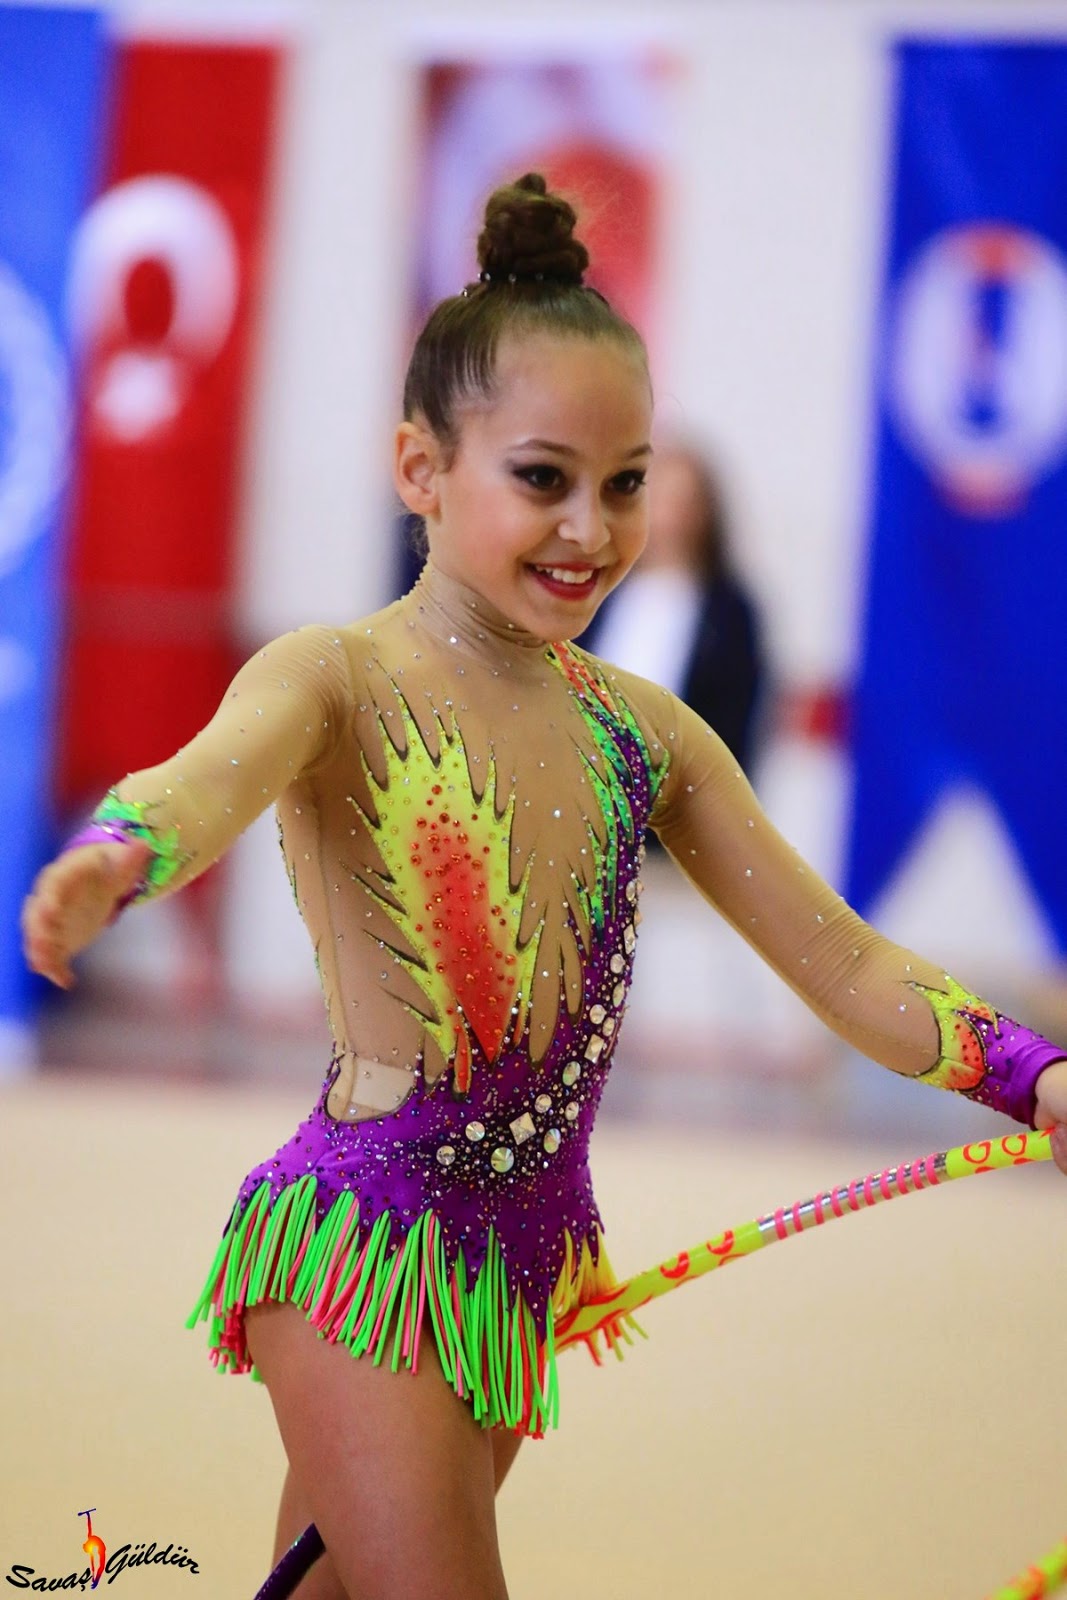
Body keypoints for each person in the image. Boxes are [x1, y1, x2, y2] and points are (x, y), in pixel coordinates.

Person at [21, 172, 1067, 1600]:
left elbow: (839, 961)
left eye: (623, 482)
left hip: (513, 1279)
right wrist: (118, 853)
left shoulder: (646, 733)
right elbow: (209, 775)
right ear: (419, 468)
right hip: (363, 1259)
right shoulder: (340, 674)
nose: (589, 526)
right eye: (540, 478)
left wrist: (1027, 1071)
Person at [582, 438, 765, 775]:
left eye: (684, 500)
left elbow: (736, 716)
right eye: (661, 498)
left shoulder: (728, 612)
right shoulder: (598, 588)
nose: (670, 515)